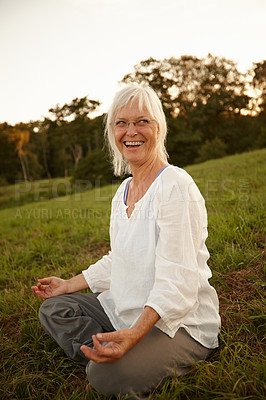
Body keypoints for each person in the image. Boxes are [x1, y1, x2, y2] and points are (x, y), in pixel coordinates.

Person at [32, 85, 221, 400]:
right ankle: (113, 349)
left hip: (178, 324)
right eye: (121, 123)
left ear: (158, 128)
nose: (131, 131)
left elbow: (179, 280)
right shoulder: (123, 192)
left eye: (142, 121)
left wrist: (136, 333)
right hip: (126, 309)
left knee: (103, 377)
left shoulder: (175, 185)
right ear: (112, 132)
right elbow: (119, 258)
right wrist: (68, 285)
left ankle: (122, 356)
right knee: (55, 309)